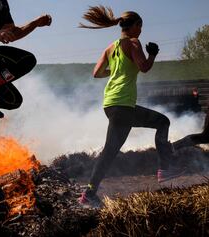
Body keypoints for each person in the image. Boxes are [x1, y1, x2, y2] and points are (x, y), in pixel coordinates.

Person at [78, 6, 185, 207]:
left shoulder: (110, 48)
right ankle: (166, 167)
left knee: (109, 152)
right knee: (163, 122)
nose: (141, 31)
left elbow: (96, 73)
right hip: (123, 104)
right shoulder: (134, 42)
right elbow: (144, 67)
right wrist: (152, 54)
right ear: (135, 26)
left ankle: (89, 194)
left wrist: (117, 70)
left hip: (110, 103)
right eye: (140, 27)